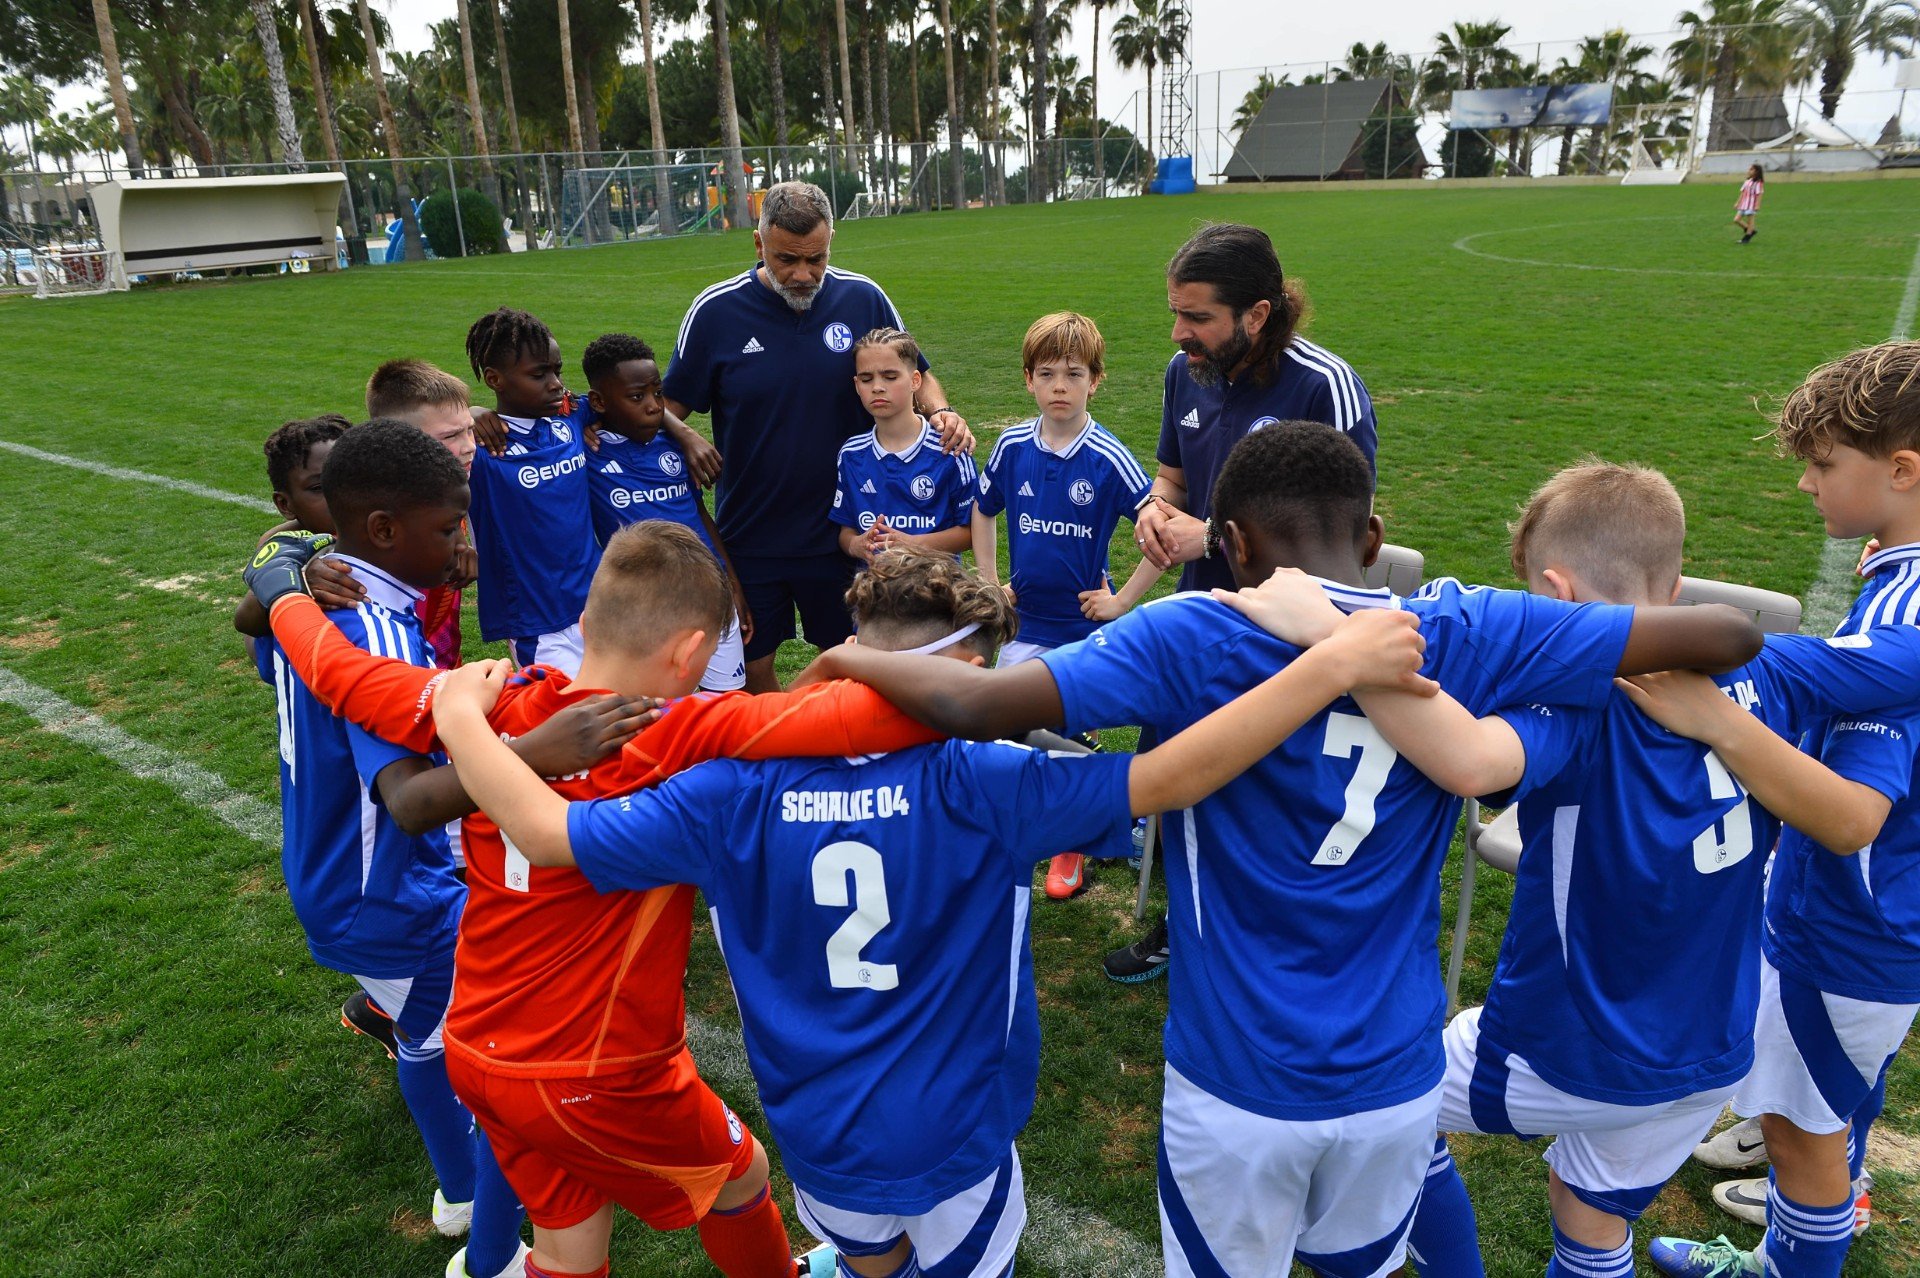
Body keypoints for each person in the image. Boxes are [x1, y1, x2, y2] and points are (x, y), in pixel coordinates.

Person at [793, 423, 1765, 1278]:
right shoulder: (1466, 625)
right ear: (1373, 539)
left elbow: (974, 701)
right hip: (1392, 1078)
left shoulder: (1188, 633)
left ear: (1233, 544)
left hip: (1237, 1084)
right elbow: (1725, 633)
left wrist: (843, 662)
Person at [430, 546, 1437, 1278]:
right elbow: (1174, 776)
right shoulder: (988, 780)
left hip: (816, 1131)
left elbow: (550, 836)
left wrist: (462, 718)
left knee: (868, 1253)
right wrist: (1329, 667)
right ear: (965, 674)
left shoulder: (724, 788)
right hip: (957, 1135)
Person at [242, 520, 956, 1278]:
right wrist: (855, 659)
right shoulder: (681, 731)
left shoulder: (486, 703)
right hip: (595, 1069)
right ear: (690, 653)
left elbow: (336, 670)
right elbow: (885, 714)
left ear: (585, 623)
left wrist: (281, 583)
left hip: (480, 1046)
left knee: (569, 1242)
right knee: (739, 1178)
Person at [1289, 462, 1920, 1278]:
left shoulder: (1580, 700)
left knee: (1379, 1105)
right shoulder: (1777, 678)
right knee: (1587, 1208)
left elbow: (1474, 764)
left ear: (1560, 593)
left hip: (1569, 1042)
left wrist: (1339, 644)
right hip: (1711, 1048)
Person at [1648, 340, 1920, 1278]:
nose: (1807, 486)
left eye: (1822, 465)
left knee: (1800, 1134)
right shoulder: (1900, 574)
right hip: (1885, 920)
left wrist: (1707, 694)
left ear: (1901, 469)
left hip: (1851, 928)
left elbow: (1852, 813)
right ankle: (1799, 1237)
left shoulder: (1903, 615)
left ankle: (1790, 1260)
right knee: (1832, 1106)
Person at [254, 421, 535, 1278]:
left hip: (334, 877)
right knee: (504, 1078)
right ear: (382, 530)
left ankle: (455, 1194)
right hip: (395, 895)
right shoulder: (374, 628)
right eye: (448, 528)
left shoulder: (305, 603)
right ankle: (493, 1261)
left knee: (424, 1035)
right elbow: (410, 801)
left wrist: (270, 570)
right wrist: (538, 753)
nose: (461, 543)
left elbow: (265, 635)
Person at [1112, 222, 1380, 981]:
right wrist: (1155, 513)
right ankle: (1182, 924)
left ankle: (1261, 941)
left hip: (1295, 636)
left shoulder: (1321, 385)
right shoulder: (1183, 372)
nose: (1178, 332)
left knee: (1264, 800)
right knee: (1178, 777)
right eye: (1175, 312)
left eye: (1197, 317)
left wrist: (1217, 540)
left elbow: (1345, 534)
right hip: (1205, 621)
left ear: (1256, 315)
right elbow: (1172, 476)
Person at [662, 180, 974, 692]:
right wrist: (686, 434)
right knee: (755, 667)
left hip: (847, 535)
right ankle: (782, 764)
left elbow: (915, 370)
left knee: (854, 664)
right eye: (788, 259)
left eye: (818, 259)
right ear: (759, 245)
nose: (804, 274)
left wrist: (943, 411)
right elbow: (662, 408)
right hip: (753, 532)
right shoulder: (716, 311)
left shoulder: (863, 297)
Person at [969, 311, 1160, 899]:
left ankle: (1071, 840)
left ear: (1095, 381)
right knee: (1009, 728)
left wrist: (1122, 600)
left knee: (1066, 728)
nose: (1059, 386)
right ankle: (1015, 826)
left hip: (1079, 627)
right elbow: (983, 509)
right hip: (1025, 623)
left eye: (1073, 374)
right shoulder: (1011, 447)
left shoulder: (1108, 456)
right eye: (1046, 373)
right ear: (1028, 379)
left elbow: (1161, 533)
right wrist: (988, 581)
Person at [228, 413, 402, 1057]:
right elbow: (249, 616)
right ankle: (401, 1016)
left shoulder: (388, 536)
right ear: (288, 503)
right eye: (317, 488)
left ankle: (388, 1004)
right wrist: (283, 584)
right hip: (357, 781)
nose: (337, 501)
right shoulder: (303, 567)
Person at [581, 331, 751, 692]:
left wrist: (732, 584)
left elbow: (702, 517)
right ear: (598, 401)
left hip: (709, 591)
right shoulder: (585, 450)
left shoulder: (673, 446)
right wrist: (476, 411)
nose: (653, 406)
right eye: (636, 397)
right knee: (654, 710)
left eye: (657, 393)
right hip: (646, 607)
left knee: (724, 700)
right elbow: (537, 413)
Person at [464, 307, 602, 676]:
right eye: (538, 374)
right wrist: (466, 413)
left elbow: (625, 396)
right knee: (569, 721)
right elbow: (401, 431)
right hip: (537, 624)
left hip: (600, 605)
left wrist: (684, 432)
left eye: (557, 370)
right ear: (495, 379)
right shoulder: (479, 447)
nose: (555, 383)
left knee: (631, 709)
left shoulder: (569, 417)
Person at [367, 358, 482, 670]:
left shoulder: (448, 487)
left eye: (469, 430)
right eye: (450, 437)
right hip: (394, 680)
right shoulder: (362, 510)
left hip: (444, 672)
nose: (470, 446)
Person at [832, 328, 977, 566]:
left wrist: (912, 544)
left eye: (890, 377)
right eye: (867, 379)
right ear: (857, 385)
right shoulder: (851, 454)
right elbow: (845, 531)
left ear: (915, 380)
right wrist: (855, 545)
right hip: (874, 597)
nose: (878, 387)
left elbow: (972, 531)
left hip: (936, 594)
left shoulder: (950, 448)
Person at [1736, 165, 1764, 244]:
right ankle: (1751, 231)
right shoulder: (1747, 181)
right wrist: (1738, 202)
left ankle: (1746, 238)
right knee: (1736, 220)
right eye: (1749, 169)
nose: (1749, 171)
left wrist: (1757, 205)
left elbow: (1759, 194)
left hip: (1751, 204)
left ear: (1757, 172)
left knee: (1750, 222)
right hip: (1743, 204)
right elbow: (1742, 193)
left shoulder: (1758, 183)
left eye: (1751, 169)